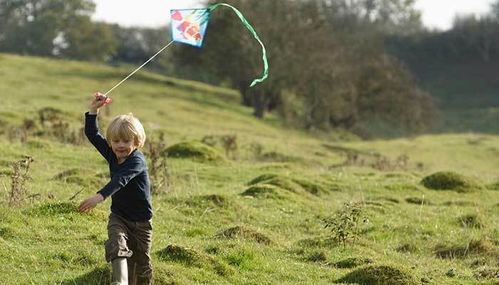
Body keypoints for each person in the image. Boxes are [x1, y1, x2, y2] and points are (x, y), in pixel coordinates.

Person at [78, 93, 153, 285]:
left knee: (140, 267)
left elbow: (121, 179)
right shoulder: (112, 153)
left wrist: (99, 197)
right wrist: (94, 110)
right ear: (111, 142)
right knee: (116, 245)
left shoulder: (137, 161)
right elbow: (93, 134)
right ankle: (119, 283)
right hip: (119, 216)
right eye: (116, 141)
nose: (120, 145)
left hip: (142, 222)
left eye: (126, 141)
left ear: (137, 142)